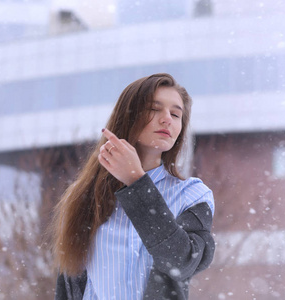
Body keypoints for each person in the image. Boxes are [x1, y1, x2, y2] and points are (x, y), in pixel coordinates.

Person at [50, 73, 215, 300]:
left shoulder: (192, 195)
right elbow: (68, 285)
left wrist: (137, 182)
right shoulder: (83, 194)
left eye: (176, 114)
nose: (167, 118)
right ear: (128, 116)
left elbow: (182, 261)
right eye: (154, 109)